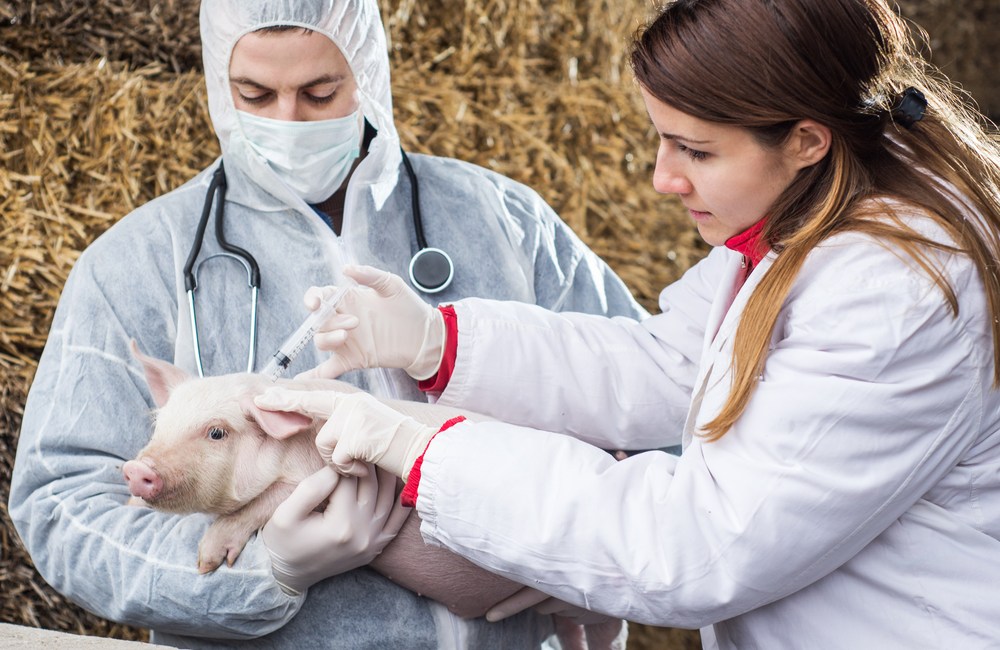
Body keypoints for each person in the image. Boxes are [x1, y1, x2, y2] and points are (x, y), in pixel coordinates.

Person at [253, 0, 1000, 647]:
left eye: (696, 151)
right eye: (662, 139)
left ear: (807, 139)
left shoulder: (895, 293)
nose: (662, 178)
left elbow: (700, 545)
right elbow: (667, 360)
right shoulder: (814, 214)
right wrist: (440, 340)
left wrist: (424, 451)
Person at [7, 0, 646, 648]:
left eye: (319, 91)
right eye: (254, 93)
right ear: (217, 88)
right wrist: (268, 567)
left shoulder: (507, 222)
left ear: (367, 71)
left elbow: (659, 395)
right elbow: (62, 509)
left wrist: (594, 538)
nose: (288, 119)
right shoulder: (137, 261)